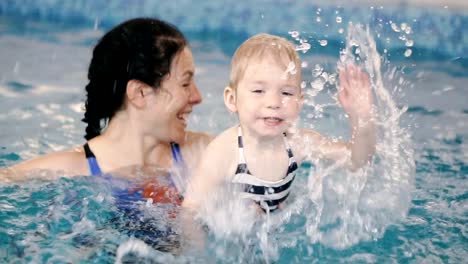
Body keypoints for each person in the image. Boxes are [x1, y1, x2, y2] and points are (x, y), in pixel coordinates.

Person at [1, 17, 214, 206]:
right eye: (186, 84)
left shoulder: (202, 152)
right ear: (140, 93)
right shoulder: (69, 169)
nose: (197, 97)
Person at [182, 33, 375, 234]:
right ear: (232, 99)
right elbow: (189, 212)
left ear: (300, 102)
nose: (274, 102)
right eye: (258, 91)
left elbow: (357, 160)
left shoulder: (299, 143)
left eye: (286, 93)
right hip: (224, 236)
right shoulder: (223, 153)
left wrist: (362, 118)